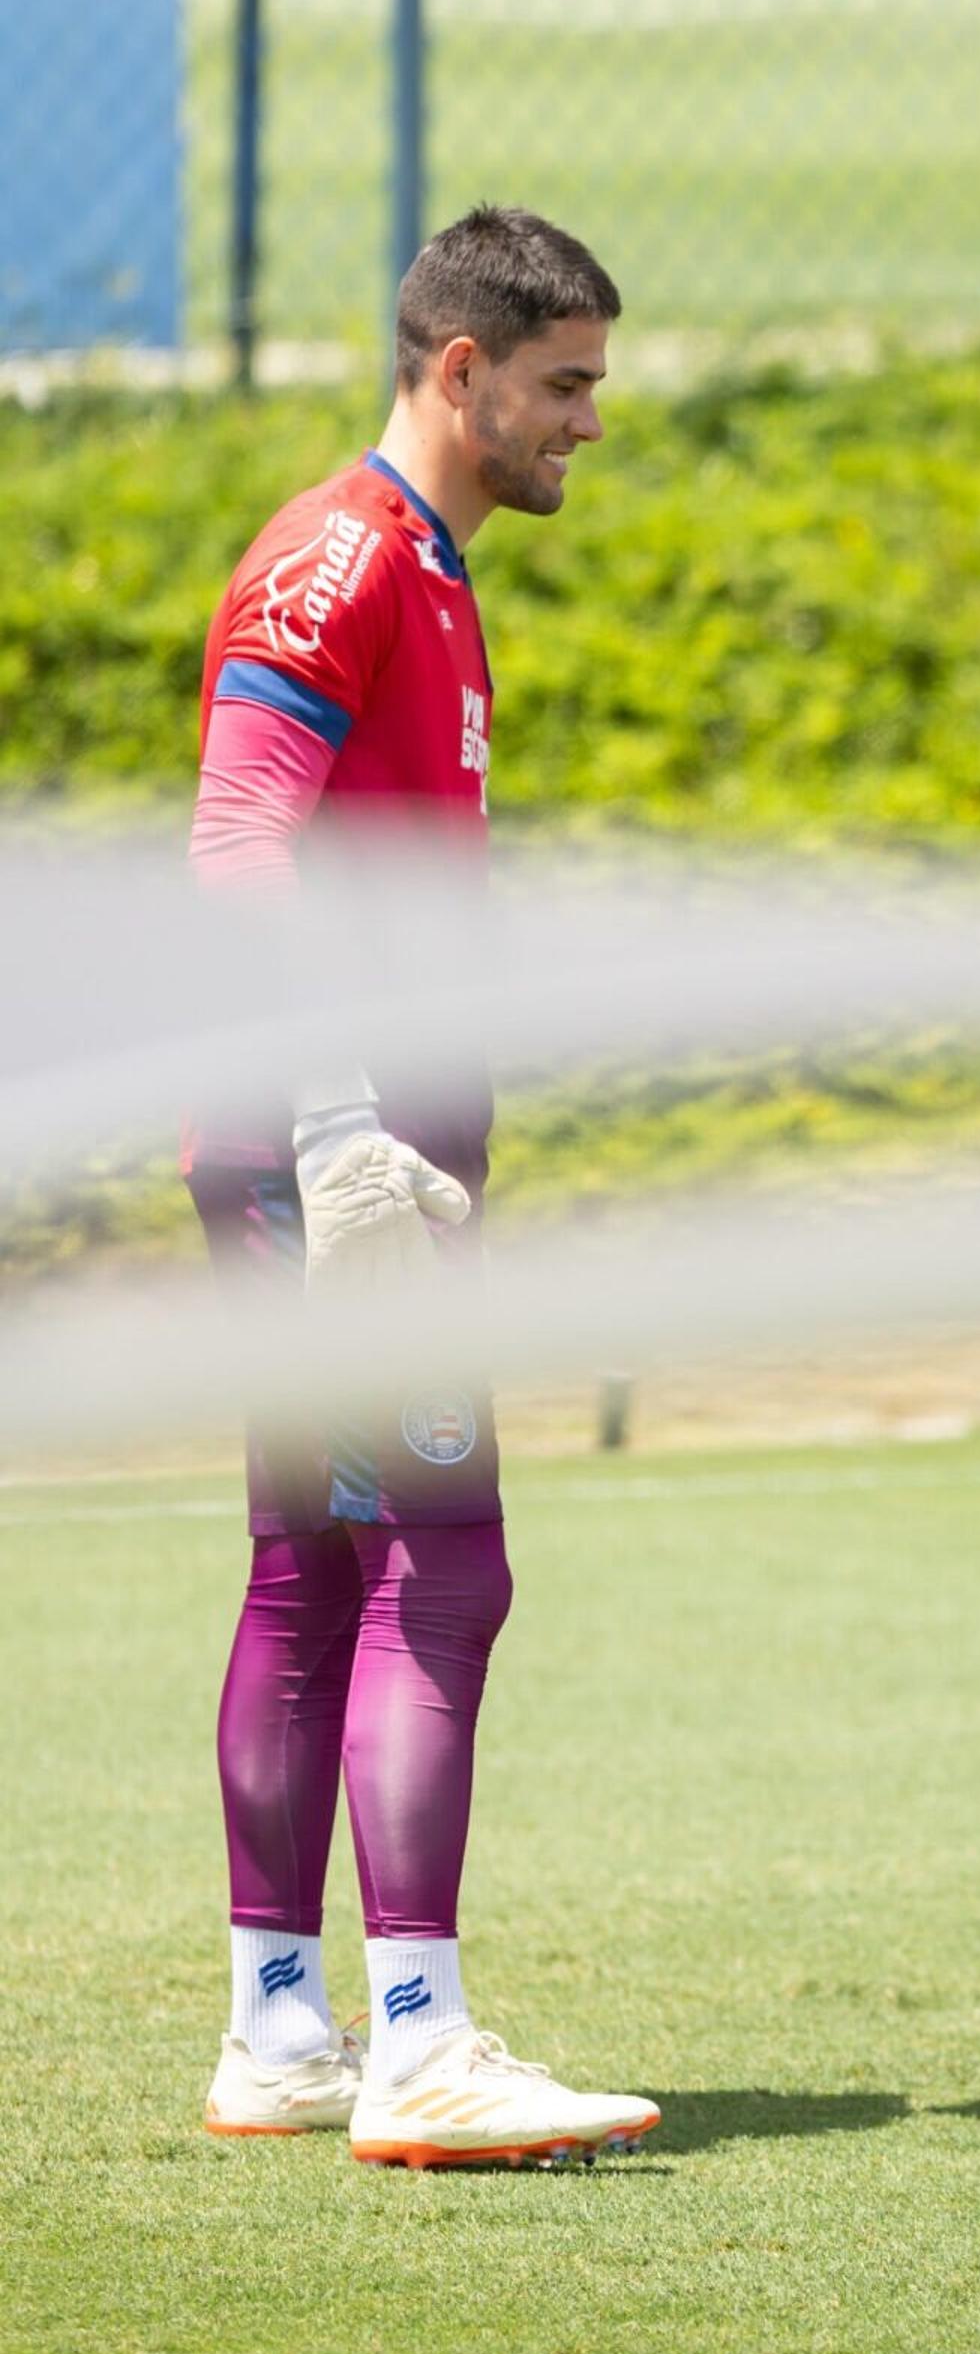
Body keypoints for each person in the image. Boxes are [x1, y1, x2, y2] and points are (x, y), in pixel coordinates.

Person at [187, 206, 660, 2168]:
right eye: (565, 388)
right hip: (334, 1173)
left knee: (311, 1577)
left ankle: (281, 2032)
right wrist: (336, 1134)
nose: (588, 427)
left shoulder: (434, 573)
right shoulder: (345, 559)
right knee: (444, 1574)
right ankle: (421, 2044)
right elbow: (238, 844)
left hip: (331, 1162)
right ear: (458, 371)